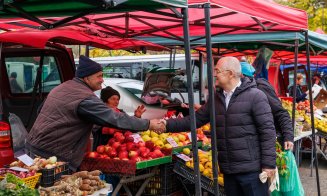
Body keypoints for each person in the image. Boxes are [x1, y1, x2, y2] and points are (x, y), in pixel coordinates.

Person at [161, 57, 276, 196]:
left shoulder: (256, 96)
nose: (214, 74)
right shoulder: (216, 99)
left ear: (230, 74)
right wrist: (166, 125)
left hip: (251, 171)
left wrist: (269, 164)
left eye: (217, 70)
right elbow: (195, 120)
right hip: (229, 171)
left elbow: (268, 131)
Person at [26, 55, 163, 171]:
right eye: (99, 76)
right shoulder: (84, 97)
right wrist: (148, 124)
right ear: (86, 78)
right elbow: (114, 118)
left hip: (34, 145)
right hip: (52, 155)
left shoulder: (62, 87)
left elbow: (41, 111)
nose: (102, 80)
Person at [241, 61, 294, 150]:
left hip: (272, 140)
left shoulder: (260, 88)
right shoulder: (240, 92)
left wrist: (288, 137)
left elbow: (281, 112)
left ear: (242, 76)